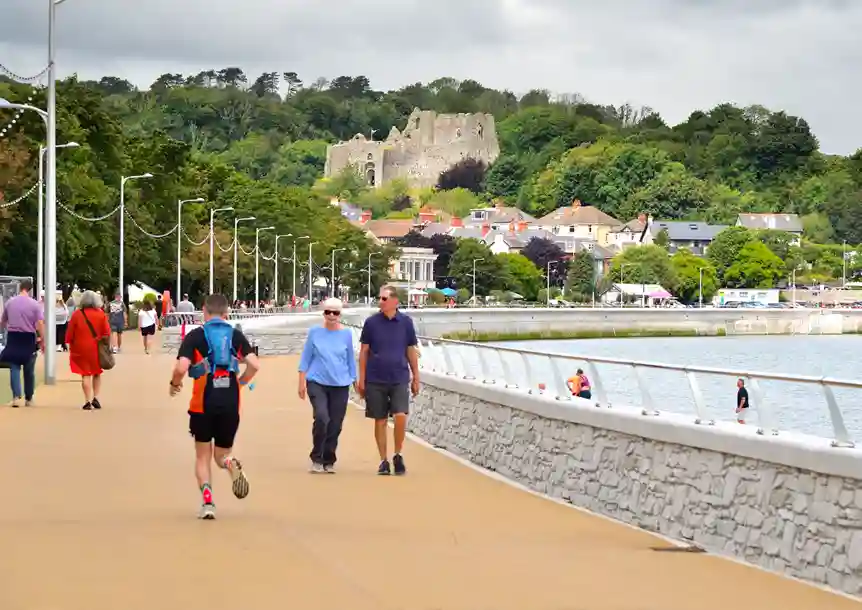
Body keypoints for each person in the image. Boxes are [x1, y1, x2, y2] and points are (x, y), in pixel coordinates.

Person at [169, 293, 260, 520]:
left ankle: (208, 501)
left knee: (202, 456)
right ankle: (230, 463)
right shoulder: (235, 335)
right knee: (221, 456)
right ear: (227, 313)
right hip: (230, 401)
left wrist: (174, 384)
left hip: (202, 405)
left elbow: (181, 368)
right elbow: (254, 364)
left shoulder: (195, 336)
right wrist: (242, 382)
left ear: (204, 311)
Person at [357, 285, 420, 475]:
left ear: (395, 301)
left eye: (384, 299)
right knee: (380, 420)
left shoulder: (406, 323)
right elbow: (364, 352)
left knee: (401, 416)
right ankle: (383, 460)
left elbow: (411, 350)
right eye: (380, 298)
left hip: (399, 376)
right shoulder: (371, 323)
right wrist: (362, 379)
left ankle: (398, 454)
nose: (380, 302)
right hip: (376, 378)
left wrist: (416, 375)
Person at [297, 297, 356, 474]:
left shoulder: (346, 334)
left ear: (340, 314)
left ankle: (328, 459)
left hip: (340, 384)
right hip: (317, 382)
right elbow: (306, 357)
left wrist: (356, 381)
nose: (331, 315)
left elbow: (350, 359)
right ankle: (316, 457)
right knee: (322, 418)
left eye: (335, 312)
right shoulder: (315, 332)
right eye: (328, 312)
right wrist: (301, 382)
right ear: (323, 313)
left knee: (335, 424)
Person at [0, 279, 44, 407]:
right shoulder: (35, 305)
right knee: (29, 369)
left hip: (13, 337)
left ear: (20, 287)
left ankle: (16, 397)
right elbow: (40, 323)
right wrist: (43, 340)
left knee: (14, 367)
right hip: (28, 338)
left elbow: (3, 321)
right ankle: (29, 398)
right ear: (30, 289)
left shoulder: (10, 303)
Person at [65, 290, 110, 411]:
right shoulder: (101, 314)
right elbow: (107, 332)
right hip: (96, 347)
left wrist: (69, 345)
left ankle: (87, 401)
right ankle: (96, 397)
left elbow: (70, 333)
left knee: (85, 374)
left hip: (80, 347)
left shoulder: (77, 314)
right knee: (97, 372)